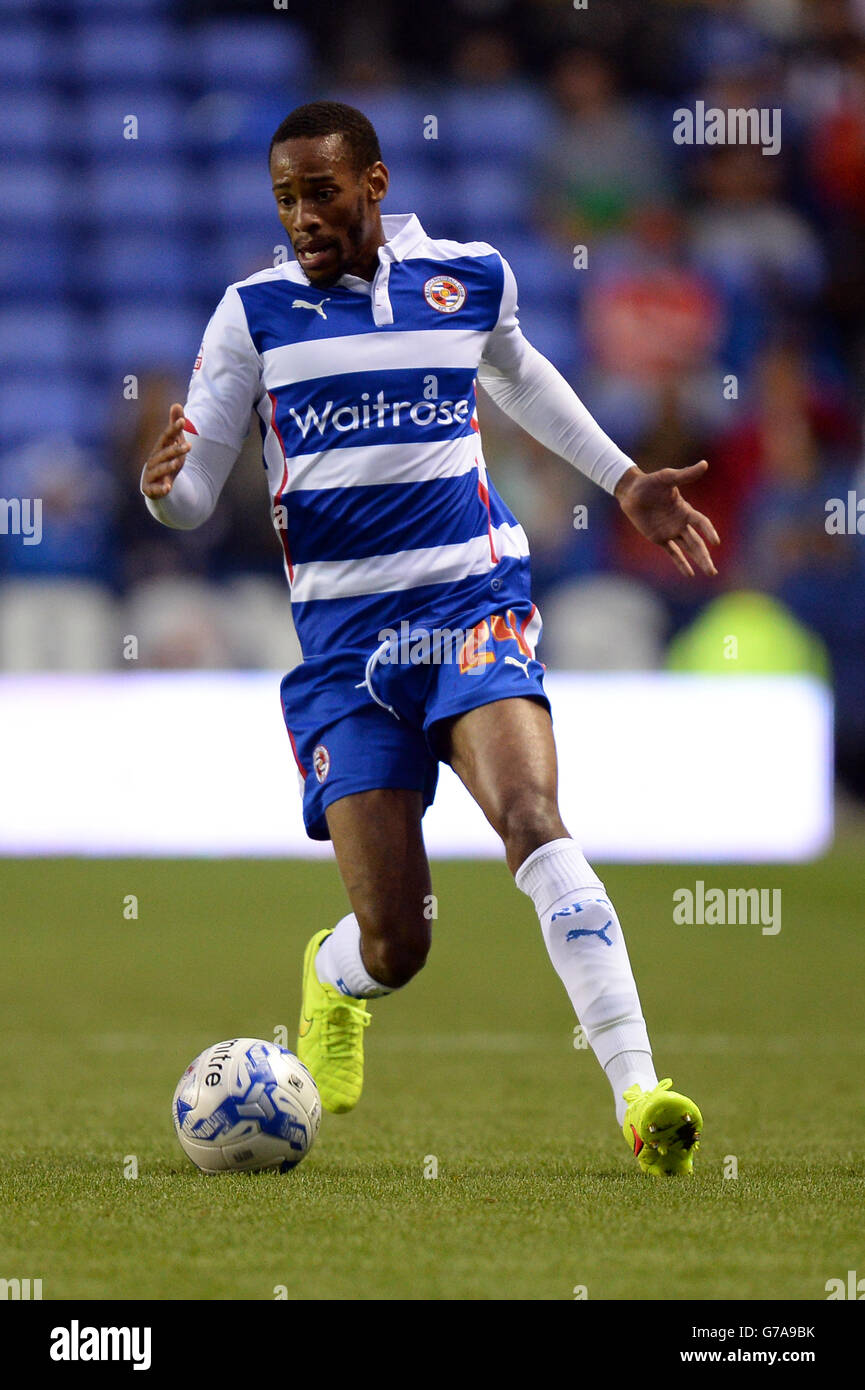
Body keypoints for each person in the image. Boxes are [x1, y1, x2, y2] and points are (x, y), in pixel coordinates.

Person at [142, 101, 719, 1175]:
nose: (302, 217)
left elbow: (523, 376)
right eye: (284, 199)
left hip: (470, 607)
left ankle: (640, 1096)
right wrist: (164, 491)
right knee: (396, 944)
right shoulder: (252, 313)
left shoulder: (467, 278)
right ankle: (334, 978)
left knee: (535, 818)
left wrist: (627, 481)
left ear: (373, 183)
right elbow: (193, 485)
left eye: (320, 192)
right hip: (346, 655)